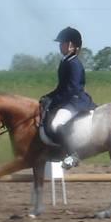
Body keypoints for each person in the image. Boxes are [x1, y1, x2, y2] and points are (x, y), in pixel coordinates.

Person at [40, 26, 96, 169]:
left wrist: (55, 101)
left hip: (76, 101)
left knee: (56, 124)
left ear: (71, 45)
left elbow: (72, 88)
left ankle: (72, 155)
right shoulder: (66, 61)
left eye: (62, 43)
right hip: (68, 99)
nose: (60, 46)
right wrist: (48, 97)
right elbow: (61, 87)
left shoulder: (74, 64)